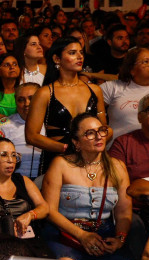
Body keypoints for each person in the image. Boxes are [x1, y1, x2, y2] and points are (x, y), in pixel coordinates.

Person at [41, 114, 133, 260]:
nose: (98, 136)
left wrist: (120, 239)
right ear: (76, 142)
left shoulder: (117, 167)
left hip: (104, 233)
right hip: (65, 233)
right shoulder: (61, 164)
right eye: (89, 133)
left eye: (101, 131)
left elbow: (124, 211)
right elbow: (50, 211)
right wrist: (82, 235)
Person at [25, 37, 106, 172]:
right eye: (73, 53)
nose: (80, 56)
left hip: (91, 160)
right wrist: (66, 148)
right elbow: (31, 136)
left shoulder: (95, 90)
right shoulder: (45, 93)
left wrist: (103, 137)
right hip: (57, 160)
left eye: (81, 52)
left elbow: (105, 128)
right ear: (57, 59)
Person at [0, 137, 48, 238]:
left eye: (14, 155)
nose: (11, 160)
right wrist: (6, 224)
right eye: (4, 155)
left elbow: (44, 208)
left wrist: (30, 215)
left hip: (28, 241)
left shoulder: (23, 181)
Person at [0, 83, 45, 179]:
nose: (26, 104)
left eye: (31, 98)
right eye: (21, 100)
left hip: (46, 181)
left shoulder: (50, 125)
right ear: (15, 102)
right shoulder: (3, 125)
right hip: (13, 181)